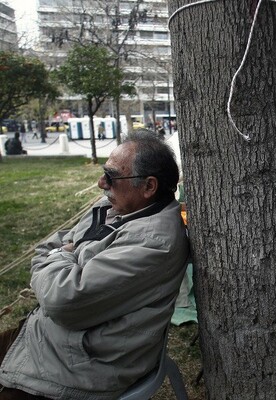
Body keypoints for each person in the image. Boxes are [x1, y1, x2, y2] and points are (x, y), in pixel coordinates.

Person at [0, 131, 189, 399]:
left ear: (148, 187)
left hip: (79, 363)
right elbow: (51, 244)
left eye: (111, 176)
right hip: (49, 336)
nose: (101, 183)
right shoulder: (116, 206)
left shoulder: (154, 241)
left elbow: (61, 299)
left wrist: (64, 256)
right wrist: (65, 259)